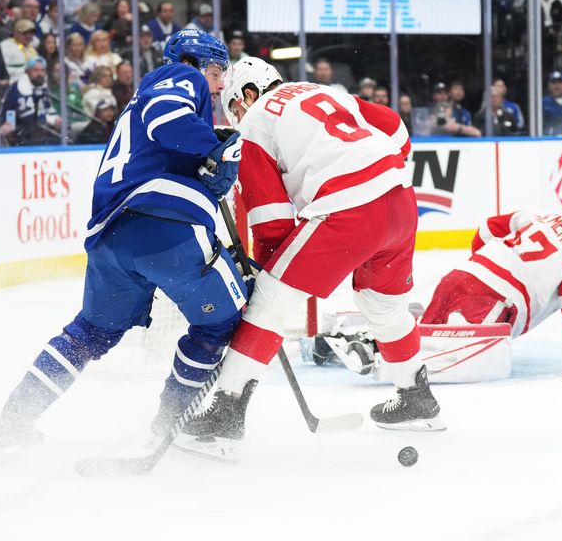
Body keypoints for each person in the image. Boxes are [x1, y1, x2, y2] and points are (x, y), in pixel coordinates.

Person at [0, 29, 247, 456]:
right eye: (217, 71)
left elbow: (166, 138)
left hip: (111, 239)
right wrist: (219, 149)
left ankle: (13, 423)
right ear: (193, 62)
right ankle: (171, 425)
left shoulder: (144, 97)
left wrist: (205, 161)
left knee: (87, 334)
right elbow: (170, 122)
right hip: (165, 227)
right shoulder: (181, 77)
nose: (219, 85)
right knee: (221, 321)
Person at [183, 57, 444, 439]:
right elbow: (392, 125)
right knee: (383, 306)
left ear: (250, 94)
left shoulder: (255, 122)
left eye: (236, 106)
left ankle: (225, 415)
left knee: (269, 305)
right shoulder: (323, 91)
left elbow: (271, 222)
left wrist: (266, 275)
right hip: (400, 198)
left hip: (347, 208)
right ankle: (416, 398)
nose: (237, 116)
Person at [420, 187, 562, 372]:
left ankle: (398, 331)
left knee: (420, 346)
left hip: (458, 277)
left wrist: (480, 268)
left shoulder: (541, 214)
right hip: (495, 300)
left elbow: (487, 229)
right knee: (450, 364)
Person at [0, 56, 61, 146]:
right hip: (19, 132)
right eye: (35, 70)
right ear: (27, 72)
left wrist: (56, 118)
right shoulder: (18, 88)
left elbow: (48, 108)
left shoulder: (42, 86)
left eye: (42, 70)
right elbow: (28, 117)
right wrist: (51, 120)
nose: (39, 73)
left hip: (40, 130)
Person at [0, 19, 39, 83]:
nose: (28, 36)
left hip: (31, 84)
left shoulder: (31, 49)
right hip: (12, 83)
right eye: (25, 33)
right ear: (16, 33)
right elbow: (2, 69)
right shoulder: (6, 46)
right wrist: (24, 71)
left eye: (31, 33)